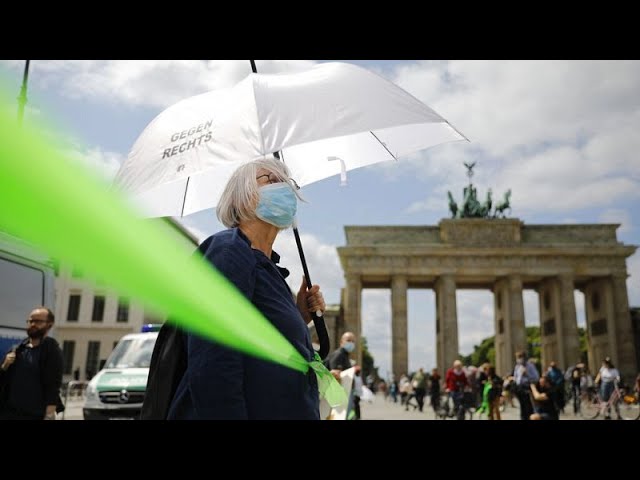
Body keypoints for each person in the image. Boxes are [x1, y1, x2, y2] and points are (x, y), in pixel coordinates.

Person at [166, 157, 326, 420]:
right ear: (242, 198)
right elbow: (213, 361)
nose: (284, 187)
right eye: (271, 180)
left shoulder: (268, 268)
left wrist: (300, 316)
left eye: (287, 182)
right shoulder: (228, 251)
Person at [0, 307, 63, 420]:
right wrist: (4, 366)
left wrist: (49, 416)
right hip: (9, 413)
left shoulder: (51, 350)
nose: (33, 324)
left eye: (38, 321)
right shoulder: (17, 349)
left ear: (49, 325)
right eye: (30, 321)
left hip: (34, 414)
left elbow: (53, 386)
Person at [513, 350, 539, 420]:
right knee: (522, 407)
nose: (518, 359)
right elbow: (516, 377)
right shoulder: (517, 367)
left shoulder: (530, 366)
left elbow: (536, 378)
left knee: (529, 408)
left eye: (520, 357)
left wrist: (527, 374)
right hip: (519, 388)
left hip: (527, 388)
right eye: (517, 357)